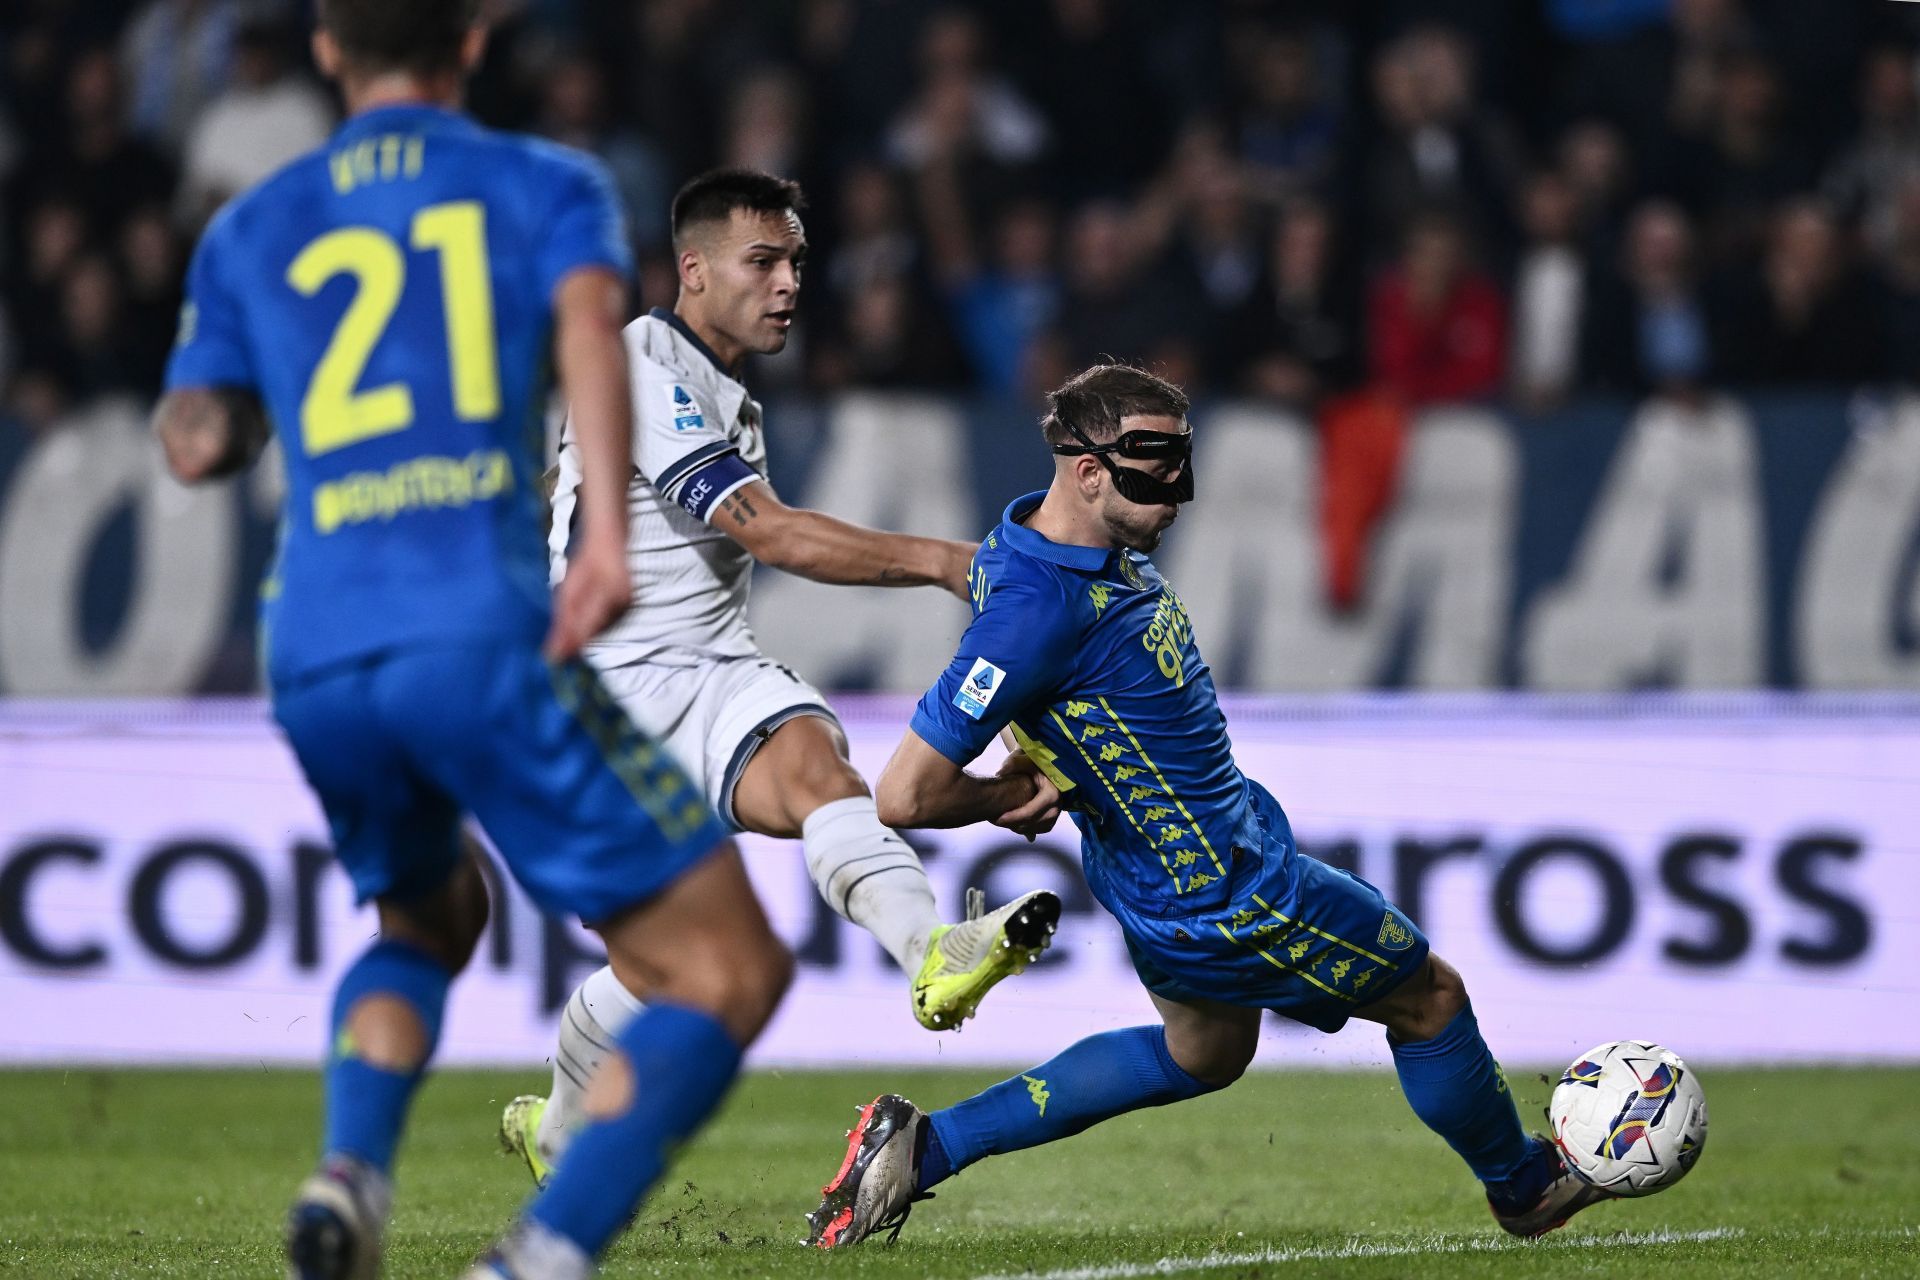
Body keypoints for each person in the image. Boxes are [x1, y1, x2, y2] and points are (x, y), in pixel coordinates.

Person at [154, 4, 791, 1278]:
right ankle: (539, 1255)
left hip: (317, 652)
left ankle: (351, 1168)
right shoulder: (542, 182)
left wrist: (258, 392)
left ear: (331, 51)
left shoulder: (250, 228)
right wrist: (604, 534)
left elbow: (196, 442)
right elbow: (589, 345)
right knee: (727, 966)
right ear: (477, 40)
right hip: (476, 630)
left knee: (431, 915)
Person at [802, 364, 1609, 1248]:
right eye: (1156, 463)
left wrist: (1053, 753)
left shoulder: (1047, 551)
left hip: (1155, 884)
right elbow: (903, 790)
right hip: (1228, 891)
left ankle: (924, 1150)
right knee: (1431, 1000)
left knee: (1205, 1054)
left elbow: (956, 566)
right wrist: (1002, 790)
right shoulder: (1036, 609)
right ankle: (1523, 1186)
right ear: (1087, 472)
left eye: (1184, 459)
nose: (1179, 490)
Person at [501, 168, 1059, 1184]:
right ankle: (556, 1130)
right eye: (765, 261)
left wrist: (977, 796)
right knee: (664, 970)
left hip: (710, 668)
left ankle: (935, 955)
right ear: (695, 269)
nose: (791, 282)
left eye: (797, 260)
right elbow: (771, 530)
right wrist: (950, 561)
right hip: (609, 696)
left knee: (819, 768)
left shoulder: (717, 392)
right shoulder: (641, 359)